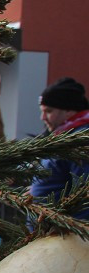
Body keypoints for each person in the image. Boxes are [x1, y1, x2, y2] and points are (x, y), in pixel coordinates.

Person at [29, 77, 89, 221]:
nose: (42, 117)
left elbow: (84, 193)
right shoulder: (63, 136)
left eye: (48, 111)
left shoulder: (78, 141)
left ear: (69, 111)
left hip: (65, 234)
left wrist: (73, 229)